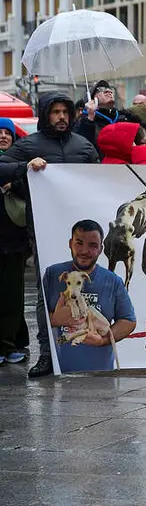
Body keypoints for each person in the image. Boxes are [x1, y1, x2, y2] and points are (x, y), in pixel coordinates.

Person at [0, 92, 100, 378]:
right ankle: (47, 353)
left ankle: (90, 346)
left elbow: (100, 176)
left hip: (82, 231)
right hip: (44, 230)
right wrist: (24, 168)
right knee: (48, 292)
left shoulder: (83, 145)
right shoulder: (28, 145)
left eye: (65, 112)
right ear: (46, 115)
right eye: (55, 112)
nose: (61, 117)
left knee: (89, 288)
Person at [43, 219, 137, 373]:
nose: (85, 251)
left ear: (101, 249)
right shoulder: (53, 274)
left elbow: (128, 321)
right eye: (79, 243)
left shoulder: (113, 281)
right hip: (57, 373)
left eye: (92, 245)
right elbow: (40, 315)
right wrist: (55, 319)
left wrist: (102, 341)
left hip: (101, 374)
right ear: (70, 244)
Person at [0, 118, 31, 365]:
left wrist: (17, 183)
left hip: (14, 242)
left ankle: (9, 344)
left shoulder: (23, 163)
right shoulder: (21, 164)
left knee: (13, 296)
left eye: (7, 133)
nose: (3, 136)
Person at [74, 80, 138, 147]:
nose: (109, 91)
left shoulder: (123, 117)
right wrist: (89, 119)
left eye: (110, 89)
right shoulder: (84, 121)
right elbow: (82, 144)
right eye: (101, 89)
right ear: (92, 100)